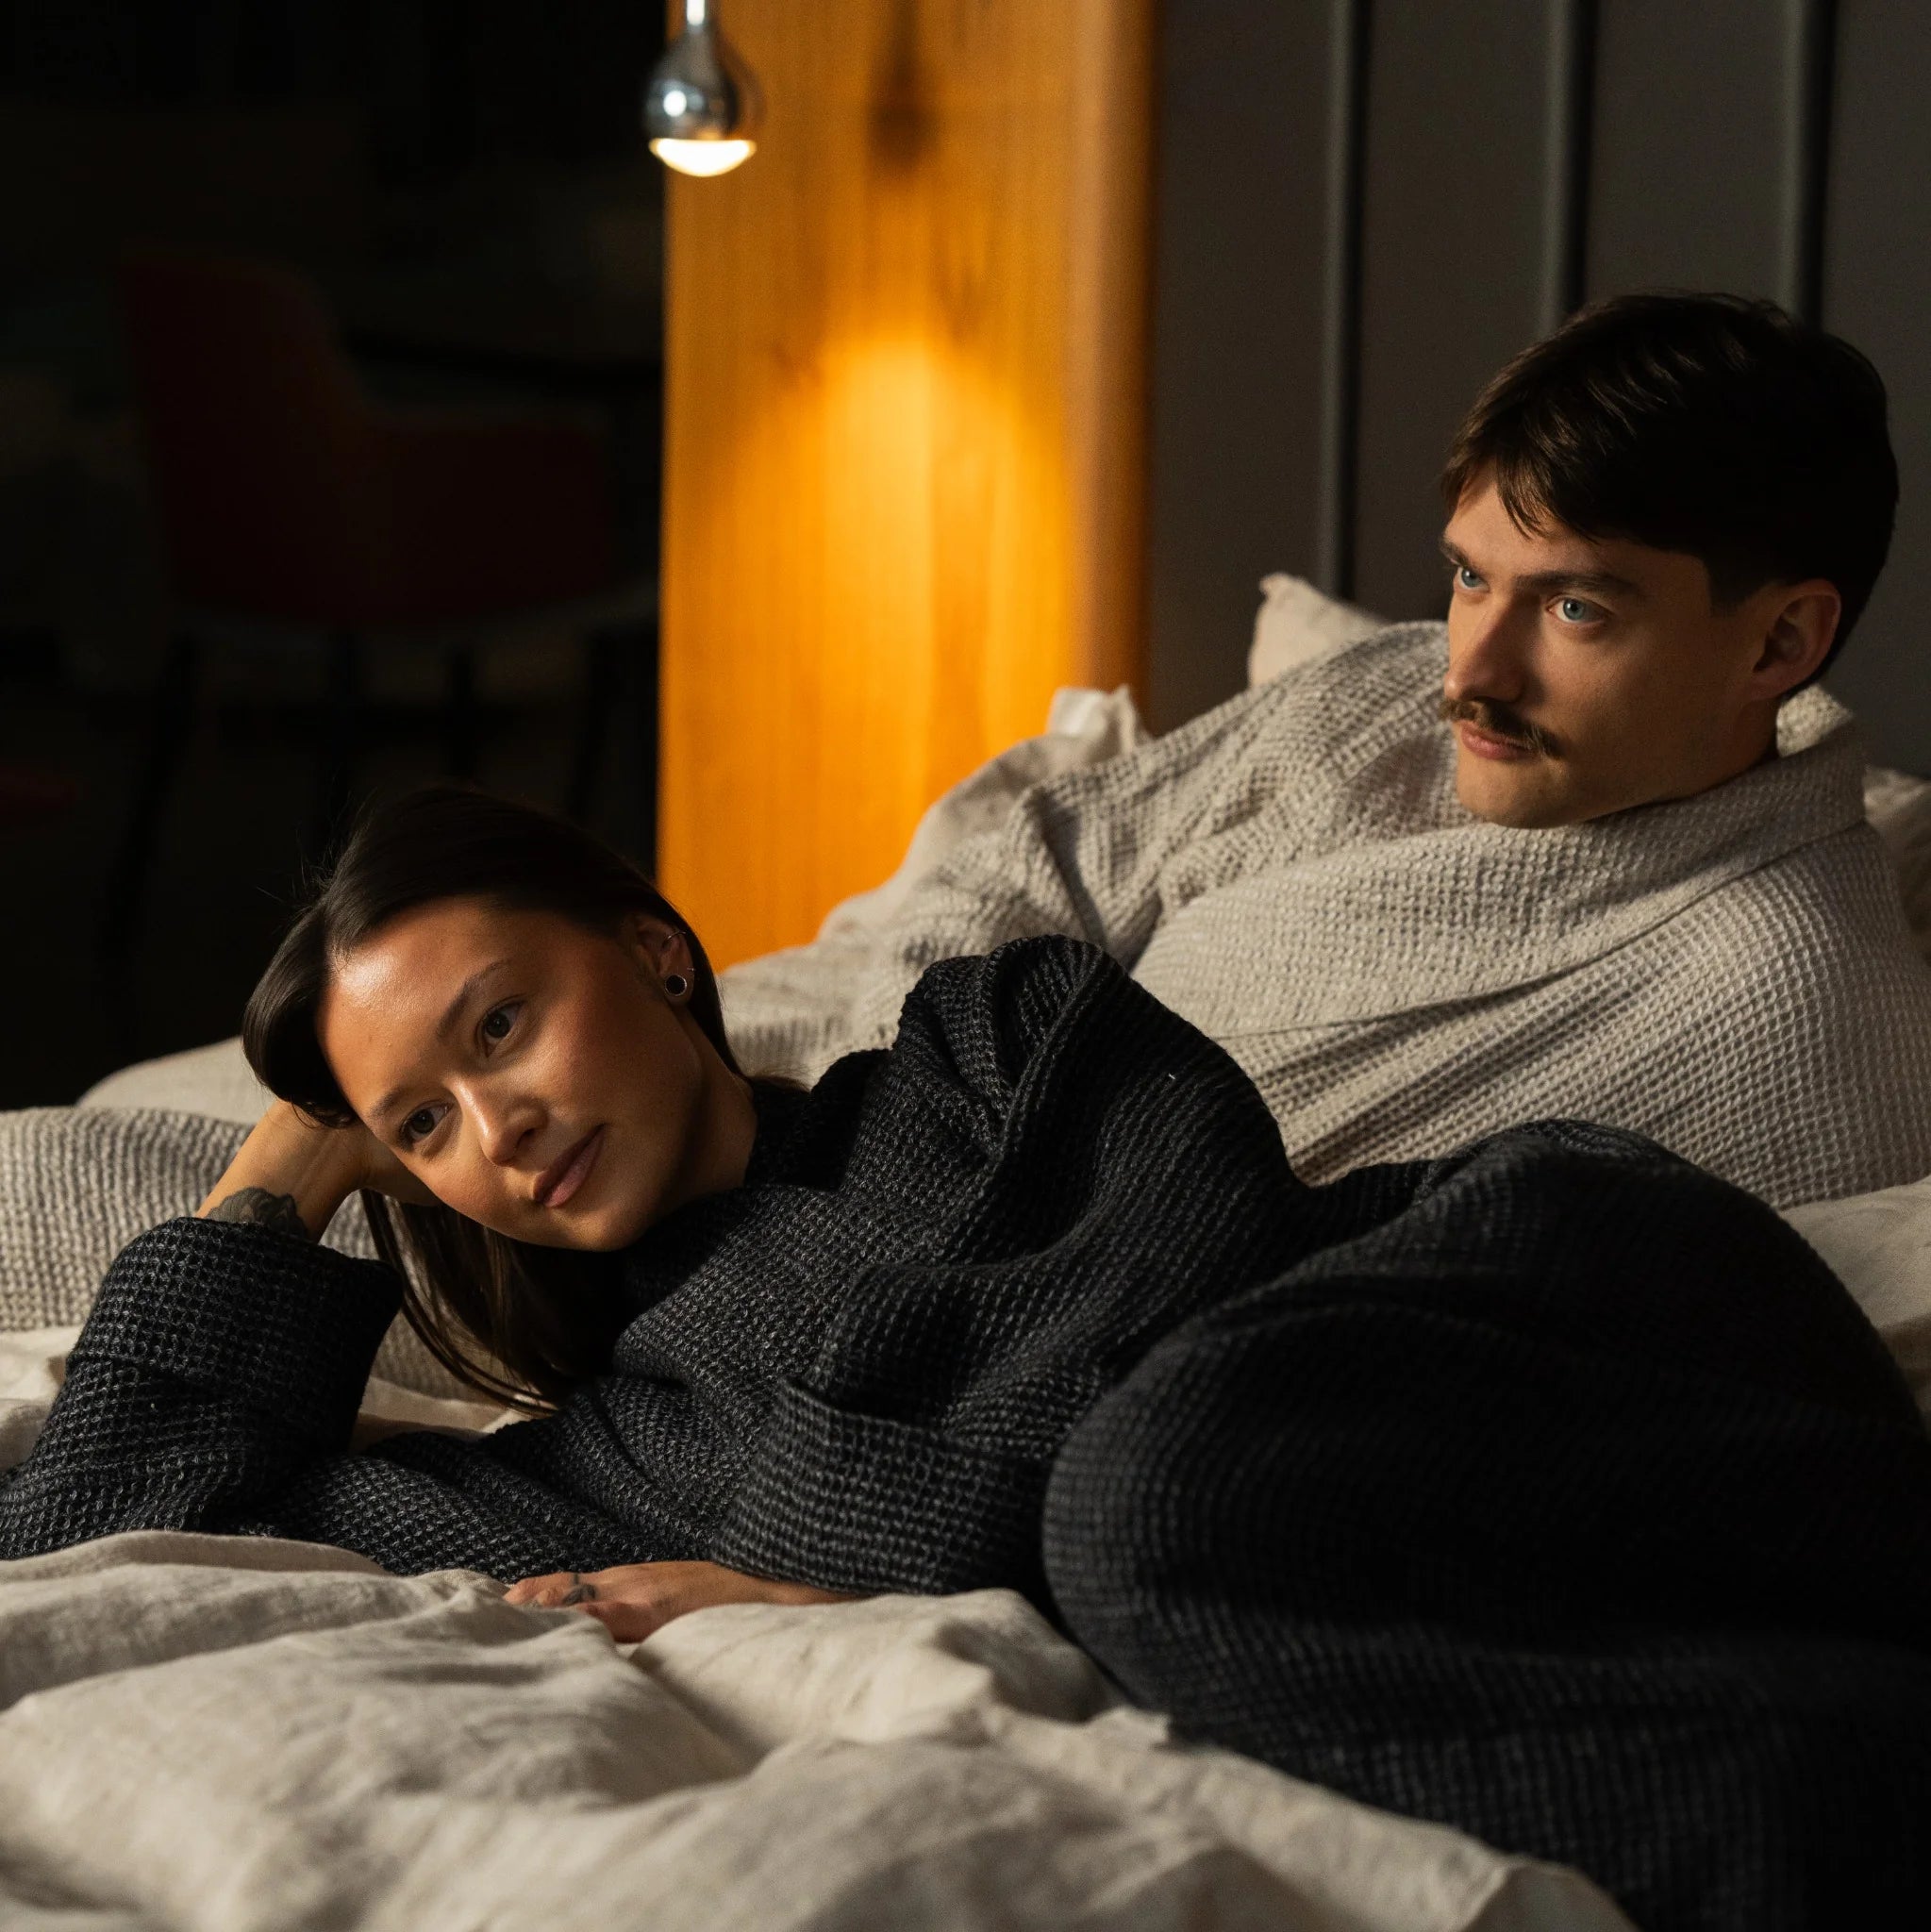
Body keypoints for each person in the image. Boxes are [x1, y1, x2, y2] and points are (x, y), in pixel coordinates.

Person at [5, 781, 1931, 1930]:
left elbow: (1191, 1271)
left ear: (654, 951)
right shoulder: (607, 1454)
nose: (491, 1127)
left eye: (500, 1024)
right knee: (1135, 1520)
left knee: (1141, 1494)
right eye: (420, 1123)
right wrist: (272, 1185)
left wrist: (823, 1569)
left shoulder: (988, 1036)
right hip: (1288, 1556)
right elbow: (81, 1540)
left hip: (1542, 1305)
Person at [720, 291, 1931, 1210]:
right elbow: (1039, 854)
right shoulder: (1377, 694)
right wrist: (893, 1115)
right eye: (1470, 577)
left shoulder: (1801, 1016)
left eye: (1574, 608)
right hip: (882, 1149)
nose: (1471, 673)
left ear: (1780, 641)